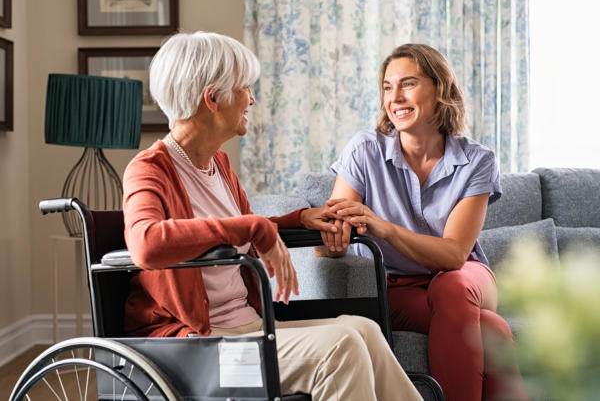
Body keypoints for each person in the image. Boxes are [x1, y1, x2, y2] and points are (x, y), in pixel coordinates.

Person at [122, 31, 422, 401]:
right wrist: (255, 225)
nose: (252, 98)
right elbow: (146, 245)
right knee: (341, 347)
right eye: (244, 88)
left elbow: (235, 234)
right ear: (212, 98)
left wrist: (299, 219)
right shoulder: (149, 170)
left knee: (363, 329)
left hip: (247, 329)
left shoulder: (219, 164)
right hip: (198, 353)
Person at [320, 44, 528, 401]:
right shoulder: (364, 150)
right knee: (491, 327)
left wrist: (384, 227)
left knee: (451, 285)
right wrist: (334, 235)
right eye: (388, 86)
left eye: (408, 84)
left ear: (440, 89)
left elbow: (453, 256)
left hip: (467, 278)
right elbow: (331, 234)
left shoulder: (476, 161)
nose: (395, 97)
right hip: (398, 286)